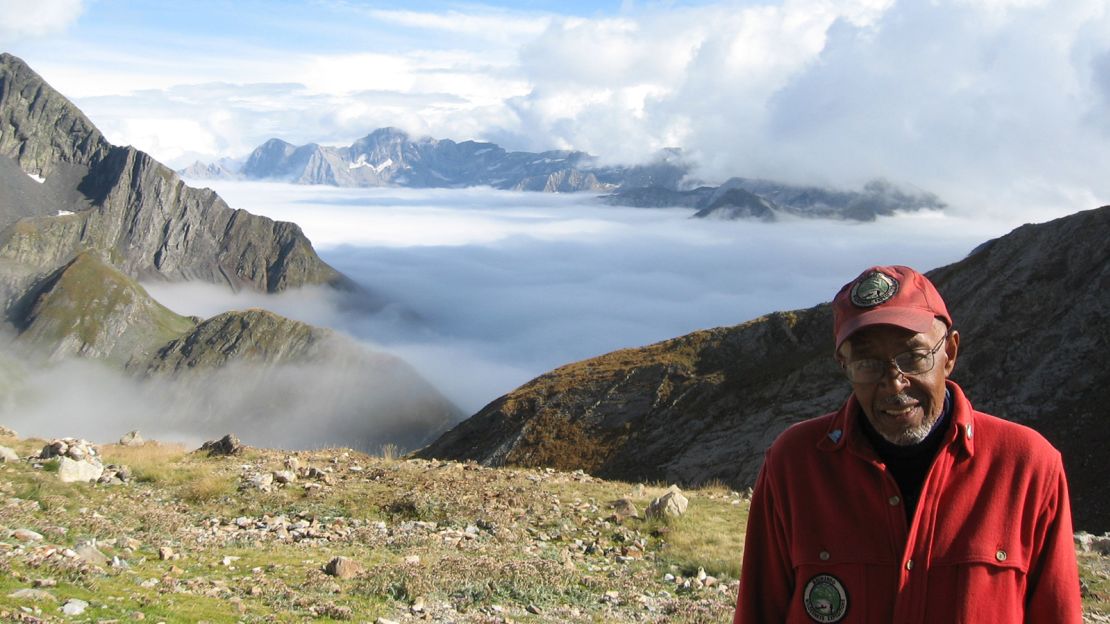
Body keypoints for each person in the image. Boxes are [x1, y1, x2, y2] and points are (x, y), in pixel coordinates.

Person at [733, 265, 1082, 623]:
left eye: (913, 357)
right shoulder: (793, 467)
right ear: (844, 365)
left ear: (950, 354)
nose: (893, 383)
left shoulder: (1028, 467)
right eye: (868, 363)